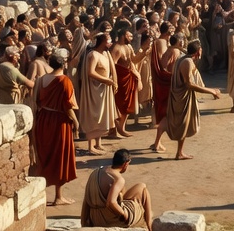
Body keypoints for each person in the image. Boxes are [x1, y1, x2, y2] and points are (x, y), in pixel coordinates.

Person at [32, 49, 78, 206]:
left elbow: (37, 100)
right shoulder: (65, 81)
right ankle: (58, 196)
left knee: (44, 156)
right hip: (59, 122)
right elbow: (68, 106)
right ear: (63, 64)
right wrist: (76, 122)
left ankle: (41, 195)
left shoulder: (42, 79)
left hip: (43, 120)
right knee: (60, 158)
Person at [166, 40, 221, 160]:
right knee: (181, 124)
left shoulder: (184, 58)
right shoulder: (187, 62)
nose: (202, 52)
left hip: (181, 96)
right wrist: (211, 91)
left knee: (183, 124)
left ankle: (179, 152)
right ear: (197, 52)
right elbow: (189, 84)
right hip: (181, 98)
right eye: (200, 50)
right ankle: (178, 153)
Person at [80, 149, 153, 228]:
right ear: (126, 164)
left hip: (95, 218)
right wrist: (123, 215)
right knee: (144, 190)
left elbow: (86, 200)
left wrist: (83, 222)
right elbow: (110, 202)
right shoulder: (118, 179)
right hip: (110, 220)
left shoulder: (96, 172)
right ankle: (150, 225)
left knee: (140, 186)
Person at [79, 32, 118, 154]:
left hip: (103, 89)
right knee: (94, 116)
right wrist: (107, 80)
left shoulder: (105, 53)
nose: (110, 43)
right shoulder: (93, 55)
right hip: (94, 90)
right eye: (109, 41)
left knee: (102, 116)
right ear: (102, 42)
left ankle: (98, 143)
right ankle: (90, 147)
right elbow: (90, 72)